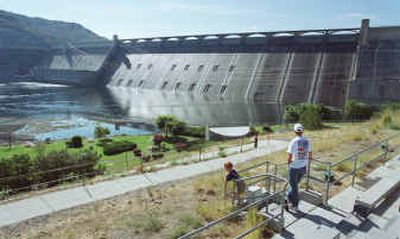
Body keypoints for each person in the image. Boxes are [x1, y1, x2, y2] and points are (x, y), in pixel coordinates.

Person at [286, 123, 312, 212]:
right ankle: (288, 199)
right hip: (303, 167)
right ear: (302, 131)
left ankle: (295, 205)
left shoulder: (293, 142)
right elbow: (310, 155)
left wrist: (288, 165)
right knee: (294, 185)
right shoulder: (307, 141)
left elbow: (289, 157)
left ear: (295, 131)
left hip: (294, 168)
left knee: (294, 188)